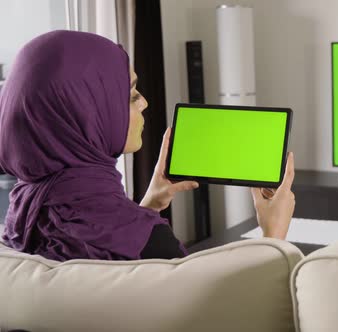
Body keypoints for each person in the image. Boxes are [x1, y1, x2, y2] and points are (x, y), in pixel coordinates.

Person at [0, 30, 295, 261]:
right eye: (130, 95)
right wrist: (273, 236)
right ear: (86, 115)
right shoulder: (154, 244)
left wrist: (148, 207)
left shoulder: (18, 223)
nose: (144, 102)